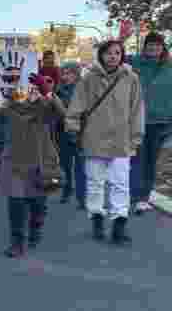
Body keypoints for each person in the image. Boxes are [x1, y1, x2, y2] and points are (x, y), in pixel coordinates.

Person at [0, 73, 65, 257]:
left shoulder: (43, 107)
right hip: (13, 162)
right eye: (22, 89)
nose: (26, 93)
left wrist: (47, 92)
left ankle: (36, 227)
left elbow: (61, 114)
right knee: (15, 203)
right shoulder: (8, 108)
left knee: (38, 203)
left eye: (31, 89)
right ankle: (16, 242)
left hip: (40, 162)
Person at [64, 40, 143, 245]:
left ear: (122, 55)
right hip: (94, 138)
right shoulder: (88, 78)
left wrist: (136, 136)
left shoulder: (131, 78)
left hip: (121, 139)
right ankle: (97, 218)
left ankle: (119, 224)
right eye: (108, 53)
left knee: (120, 184)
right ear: (101, 55)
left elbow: (136, 110)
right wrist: (72, 127)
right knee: (95, 183)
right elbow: (77, 105)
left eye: (117, 53)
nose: (113, 56)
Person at [129, 33, 172, 214]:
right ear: (144, 47)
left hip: (162, 122)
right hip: (137, 120)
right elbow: (108, 58)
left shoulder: (169, 67)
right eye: (150, 45)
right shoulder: (135, 63)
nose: (153, 48)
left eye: (157, 45)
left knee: (152, 162)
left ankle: (143, 196)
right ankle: (136, 196)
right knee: (138, 160)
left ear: (163, 48)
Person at [56, 62, 87, 209]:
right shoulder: (58, 90)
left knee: (80, 167)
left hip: (80, 132)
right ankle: (67, 189)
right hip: (62, 133)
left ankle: (82, 197)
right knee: (65, 165)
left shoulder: (83, 89)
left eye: (70, 73)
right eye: (64, 73)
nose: (66, 76)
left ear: (76, 74)